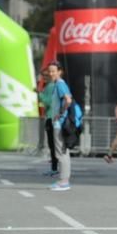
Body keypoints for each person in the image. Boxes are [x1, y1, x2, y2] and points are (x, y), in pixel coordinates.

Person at [44, 62, 74, 191]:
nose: (51, 74)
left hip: (59, 123)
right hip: (59, 122)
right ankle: (63, 180)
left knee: (60, 152)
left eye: (53, 71)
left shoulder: (60, 84)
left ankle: (63, 181)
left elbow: (68, 100)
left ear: (59, 71)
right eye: (49, 71)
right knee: (62, 151)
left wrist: (60, 113)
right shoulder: (58, 84)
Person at [39, 68, 58, 177]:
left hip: (51, 118)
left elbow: (48, 101)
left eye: (46, 76)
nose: (45, 78)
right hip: (51, 117)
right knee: (53, 145)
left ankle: (55, 168)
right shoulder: (51, 85)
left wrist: (39, 94)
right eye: (44, 76)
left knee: (53, 145)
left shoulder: (50, 86)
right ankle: (55, 167)